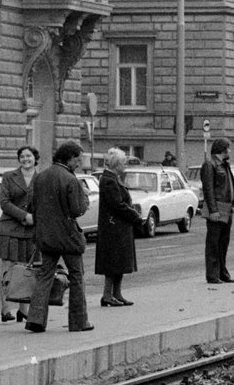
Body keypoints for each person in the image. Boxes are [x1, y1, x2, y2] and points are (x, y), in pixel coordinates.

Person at [24, 141, 91, 333]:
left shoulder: (40, 177)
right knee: (77, 275)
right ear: (69, 158)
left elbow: (31, 206)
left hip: (45, 236)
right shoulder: (71, 180)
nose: (78, 163)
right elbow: (77, 210)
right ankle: (79, 322)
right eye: (77, 159)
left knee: (45, 276)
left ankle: (35, 319)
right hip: (68, 237)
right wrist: (85, 197)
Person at [95, 147, 144, 306]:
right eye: (123, 163)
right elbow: (117, 205)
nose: (125, 165)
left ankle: (116, 294)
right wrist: (135, 216)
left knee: (119, 262)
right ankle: (107, 295)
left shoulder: (113, 177)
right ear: (116, 164)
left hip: (119, 227)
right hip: (114, 228)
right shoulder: (109, 180)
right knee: (113, 263)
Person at [0, 145, 39, 323]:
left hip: (31, 230)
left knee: (27, 270)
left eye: (29, 156)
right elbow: (4, 202)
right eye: (22, 156)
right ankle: (5, 309)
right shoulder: (9, 176)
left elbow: (45, 201)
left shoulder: (41, 178)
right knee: (8, 269)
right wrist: (24, 216)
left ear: (35, 158)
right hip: (10, 228)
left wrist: (34, 218)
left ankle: (24, 309)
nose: (25, 159)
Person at [200, 139, 234, 284]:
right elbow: (208, 189)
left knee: (223, 242)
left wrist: (233, 203)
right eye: (228, 149)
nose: (230, 151)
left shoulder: (224, 165)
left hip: (227, 209)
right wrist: (213, 210)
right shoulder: (210, 165)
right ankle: (212, 274)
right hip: (217, 210)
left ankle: (222, 272)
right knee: (213, 243)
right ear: (222, 150)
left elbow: (228, 187)